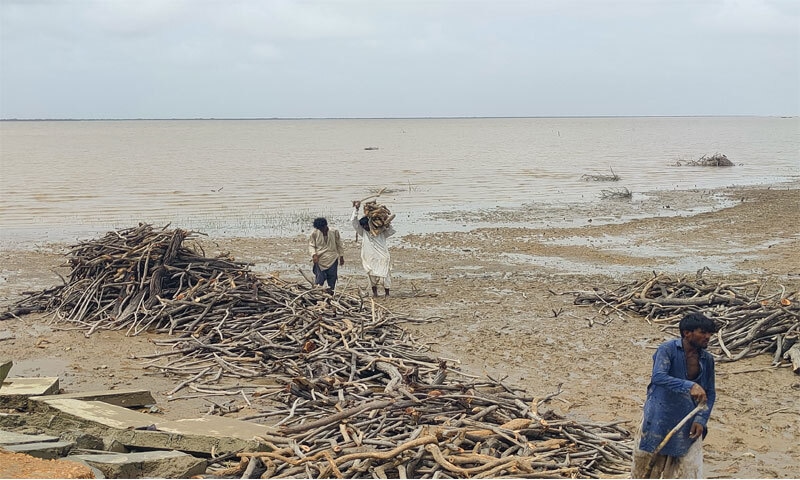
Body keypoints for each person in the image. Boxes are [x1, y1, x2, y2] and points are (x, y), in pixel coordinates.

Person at [631, 312, 718, 479]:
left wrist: (701, 419)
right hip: (658, 420)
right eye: (703, 332)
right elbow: (658, 377)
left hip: (688, 424)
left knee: (687, 473)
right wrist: (689, 385)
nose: (708, 337)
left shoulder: (707, 360)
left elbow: (710, 393)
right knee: (645, 472)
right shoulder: (667, 350)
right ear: (687, 333)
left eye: (710, 333)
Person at [351, 200, 395, 297]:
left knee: (385, 274)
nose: (366, 227)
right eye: (364, 226)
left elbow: (391, 231)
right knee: (371, 275)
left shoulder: (381, 232)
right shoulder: (363, 232)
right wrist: (356, 209)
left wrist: (387, 222)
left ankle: (387, 293)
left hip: (382, 256)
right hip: (369, 256)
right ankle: (375, 293)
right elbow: (354, 222)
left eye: (367, 226)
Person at [308, 217, 344, 293]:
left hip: (332, 258)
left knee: (332, 278)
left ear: (325, 226)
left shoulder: (334, 232)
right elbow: (311, 245)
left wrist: (341, 256)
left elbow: (339, 244)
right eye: (319, 229)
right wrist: (314, 255)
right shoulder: (314, 233)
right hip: (320, 259)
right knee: (319, 279)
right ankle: (317, 293)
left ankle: (331, 294)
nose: (321, 230)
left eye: (322, 228)